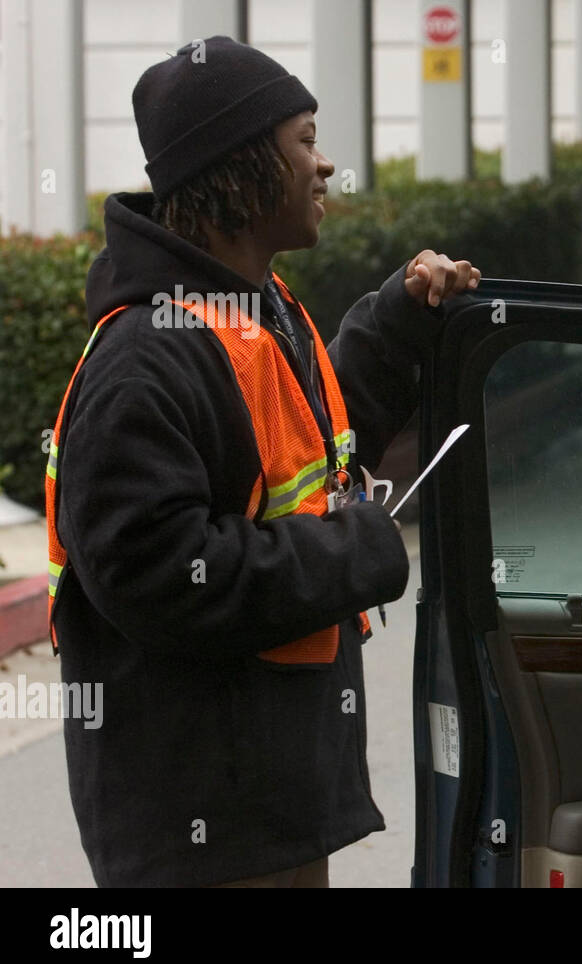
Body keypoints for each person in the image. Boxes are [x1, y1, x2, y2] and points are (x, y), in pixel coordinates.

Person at [45, 36, 480, 887]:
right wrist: (359, 550)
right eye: (305, 141)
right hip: (198, 827)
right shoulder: (145, 356)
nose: (325, 167)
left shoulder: (256, 311)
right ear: (237, 168)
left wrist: (398, 321)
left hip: (264, 804)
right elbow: (161, 573)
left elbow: (312, 442)